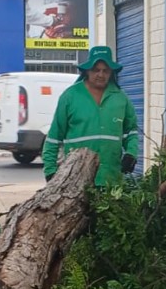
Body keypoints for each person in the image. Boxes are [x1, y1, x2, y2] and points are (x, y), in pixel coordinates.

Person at [42, 46, 140, 186]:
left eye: (105, 71)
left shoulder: (120, 98)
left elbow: (131, 132)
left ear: (111, 72)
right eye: (96, 70)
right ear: (87, 71)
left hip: (111, 180)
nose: (101, 74)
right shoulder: (70, 96)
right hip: (76, 181)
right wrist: (50, 171)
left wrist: (131, 153)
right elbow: (54, 137)